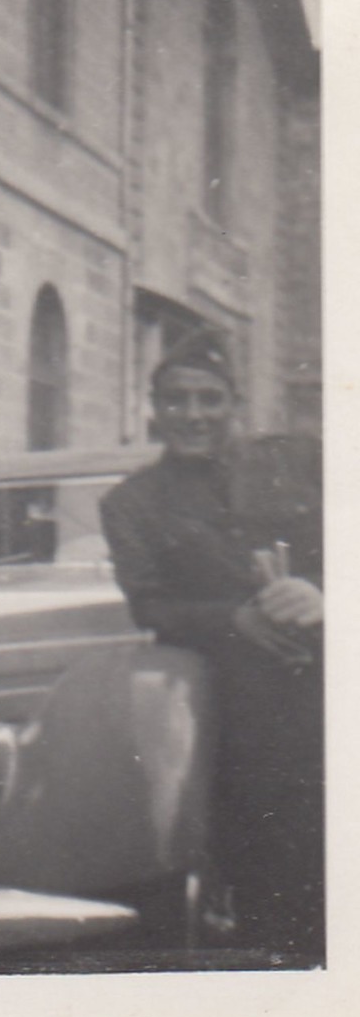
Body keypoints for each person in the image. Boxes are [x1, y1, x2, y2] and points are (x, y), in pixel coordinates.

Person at [99, 328, 323, 963]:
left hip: (335, 692)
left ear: (235, 402)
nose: (192, 415)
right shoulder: (131, 504)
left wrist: (324, 591)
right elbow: (150, 604)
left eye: (208, 398)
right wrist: (234, 620)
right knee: (268, 872)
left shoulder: (302, 461)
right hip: (237, 715)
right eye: (175, 401)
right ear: (154, 407)